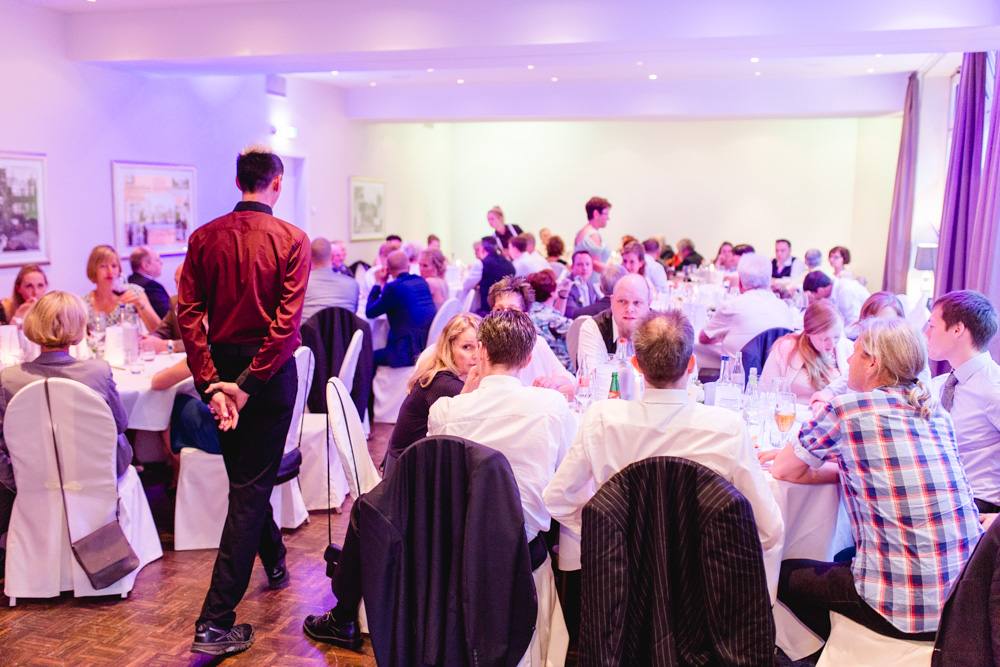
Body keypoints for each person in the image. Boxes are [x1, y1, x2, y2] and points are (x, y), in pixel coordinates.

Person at [303, 310, 574, 660]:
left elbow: (437, 480)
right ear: (526, 359)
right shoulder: (552, 406)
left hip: (456, 546)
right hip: (521, 548)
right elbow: (564, 480)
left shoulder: (446, 411)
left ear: (483, 352)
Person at [766, 318, 982, 641]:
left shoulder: (847, 410)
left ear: (873, 363)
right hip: (963, 602)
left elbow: (784, 469)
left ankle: (840, 649)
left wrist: (840, 470)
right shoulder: (936, 412)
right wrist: (851, 469)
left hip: (902, 611)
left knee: (776, 574)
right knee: (843, 557)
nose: (848, 361)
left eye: (854, 353)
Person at [544, 310, 784, 597]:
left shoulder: (601, 419)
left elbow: (558, 499)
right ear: (692, 365)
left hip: (622, 589)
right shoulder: (727, 428)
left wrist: (610, 532)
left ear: (636, 364)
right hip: (701, 591)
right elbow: (769, 531)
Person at [178, 143, 309, 656]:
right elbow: (286, 324)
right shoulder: (292, 238)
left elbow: (188, 315)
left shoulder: (203, 237)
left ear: (238, 184)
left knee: (246, 481)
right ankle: (214, 621)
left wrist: (215, 382)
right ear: (276, 183)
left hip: (229, 369)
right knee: (250, 488)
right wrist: (245, 385)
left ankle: (274, 560)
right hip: (267, 375)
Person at [0, 291, 134, 576]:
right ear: (77, 330)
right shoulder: (98, 372)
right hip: (95, 472)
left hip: (35, 475)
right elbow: (120, 424)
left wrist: (12, 477)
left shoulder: (8, 379)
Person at [924, 290, 1000, 514]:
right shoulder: (939, 385)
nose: (926, 334)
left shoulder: (993, 389)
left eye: (932, 326)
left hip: (977, 504)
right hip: (941, 496)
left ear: (957, 329)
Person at [382, 313, 481, 476]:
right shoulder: (444, 385)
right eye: (467, 347)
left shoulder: (449, 374)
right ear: (449, 348)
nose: (476, 355)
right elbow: (471, 428)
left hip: (414, 462)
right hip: (404, 475)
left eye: (480, 346)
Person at [809, 291, 911, 411]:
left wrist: (835, 405)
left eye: (887, 325)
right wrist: (820, 401)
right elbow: (832, 389)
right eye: (873, 324)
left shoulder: (909, 366)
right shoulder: (862, 355)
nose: (879, 332)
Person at [487, 276, 575, 397]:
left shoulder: (538, 343)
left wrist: (553, 382)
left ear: (525, 316)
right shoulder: (486, 349)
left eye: (512, 310)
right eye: (499, 310)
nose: (505, 315)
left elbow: (569, 378)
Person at [698, 252, 794, 364]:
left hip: (739, 378)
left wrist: (724, 336)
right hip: (775, 378)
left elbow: (703, 338)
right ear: (769, 280)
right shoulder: (784, 307)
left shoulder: (732, 306)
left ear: (740, 283)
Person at [760, 299, 850, 402]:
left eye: (836, 337)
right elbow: (765, 393)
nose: (832, 344)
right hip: (792, 414)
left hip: (832, 415)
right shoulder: (786, 350)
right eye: (824, 339)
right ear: (808, 333)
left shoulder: (848, 348)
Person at [366, 250, 436, 368]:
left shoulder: (393, 288)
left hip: (406, 354)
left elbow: (370, 312)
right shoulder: (421, 281)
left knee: (366, 357)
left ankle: (370, 387)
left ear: (388, 270)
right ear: (408, 267)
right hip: (427, 347)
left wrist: (378, 283)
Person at [577, 273, 651, 372]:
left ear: (648, 304)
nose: (629, 309)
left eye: (637, 302)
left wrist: (614, 365)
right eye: (622, 301)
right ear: (612, 301)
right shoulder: (594, 327)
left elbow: (664, 379)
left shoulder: (661, 329)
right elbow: (593, 379)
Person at [83, 245, 161, 333]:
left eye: (114, 266)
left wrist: (139, 304)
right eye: (103, 266)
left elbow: (158, 330)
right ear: (93, 269)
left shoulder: (134, 292)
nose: (110, 271)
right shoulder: (84, 303)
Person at [301, 237, 359, 322]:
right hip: (343, 334)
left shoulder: (301, 284)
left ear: (309, 257)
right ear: (332, 257)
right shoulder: (353, 284)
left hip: (308, 334)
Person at [527, 270, 573, 370]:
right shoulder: (552, 318)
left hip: (533, 367)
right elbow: (578, 328)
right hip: (559, 368)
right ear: (552, 292)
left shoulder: (526, 313)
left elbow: (555, 317)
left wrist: (563, 295)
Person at [462, 236, 515, 316]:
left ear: (482, 249)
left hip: (487, 311)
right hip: (508, 311)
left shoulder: (481, 264)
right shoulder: (509, 264)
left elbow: (466, 285)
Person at [802, 270, 869, 328]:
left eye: (813, 294)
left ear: (820, 290)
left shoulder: (845, 291)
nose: (814, 298)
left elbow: (854, 325)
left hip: (866, 331)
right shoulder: (833, 291)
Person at [573, 196, 612, 283]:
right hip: (593, 282)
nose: (608, 218)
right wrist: (614, 272)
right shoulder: (593, 235)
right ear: (596, 214)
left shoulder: (581, 232)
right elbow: (595, 265)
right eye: (606, 214)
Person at [128, 246, 171, 318]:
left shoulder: (130, 280)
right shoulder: (151, 286)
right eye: (157, 260)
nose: (161, 263)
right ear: (146, 265)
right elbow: (167, 316)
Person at [565, 250, 599, 319]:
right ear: (572, 267)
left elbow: (599, 305)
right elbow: (572, 313)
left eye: (587, 264)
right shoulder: (567, 286)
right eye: (580, 264)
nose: (584, 268)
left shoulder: (590, 285)